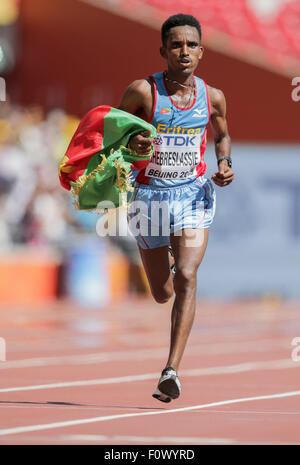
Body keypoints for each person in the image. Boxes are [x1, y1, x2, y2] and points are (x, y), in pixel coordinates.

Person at [118, 13, 234, 402]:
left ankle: (171, 371)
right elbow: (113, 140)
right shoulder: (142, 92)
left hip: (192, 195)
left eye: (191, 45)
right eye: (176, 44)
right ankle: (163, 259)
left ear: (201, 51)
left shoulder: (212, 96)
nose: (183, 51)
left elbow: (223, 134)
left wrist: (225, 163)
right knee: (162, 292)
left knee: (186, 275)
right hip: (148, 197)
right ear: (163, 50)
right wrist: (131, 147)